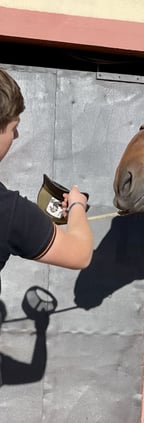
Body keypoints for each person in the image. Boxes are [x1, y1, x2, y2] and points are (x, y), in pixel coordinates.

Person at [0, 67, 92, 275]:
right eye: (13, 127)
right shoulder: (9, 211)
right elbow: (80, 253)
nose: (16, 135)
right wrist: (77, 205)